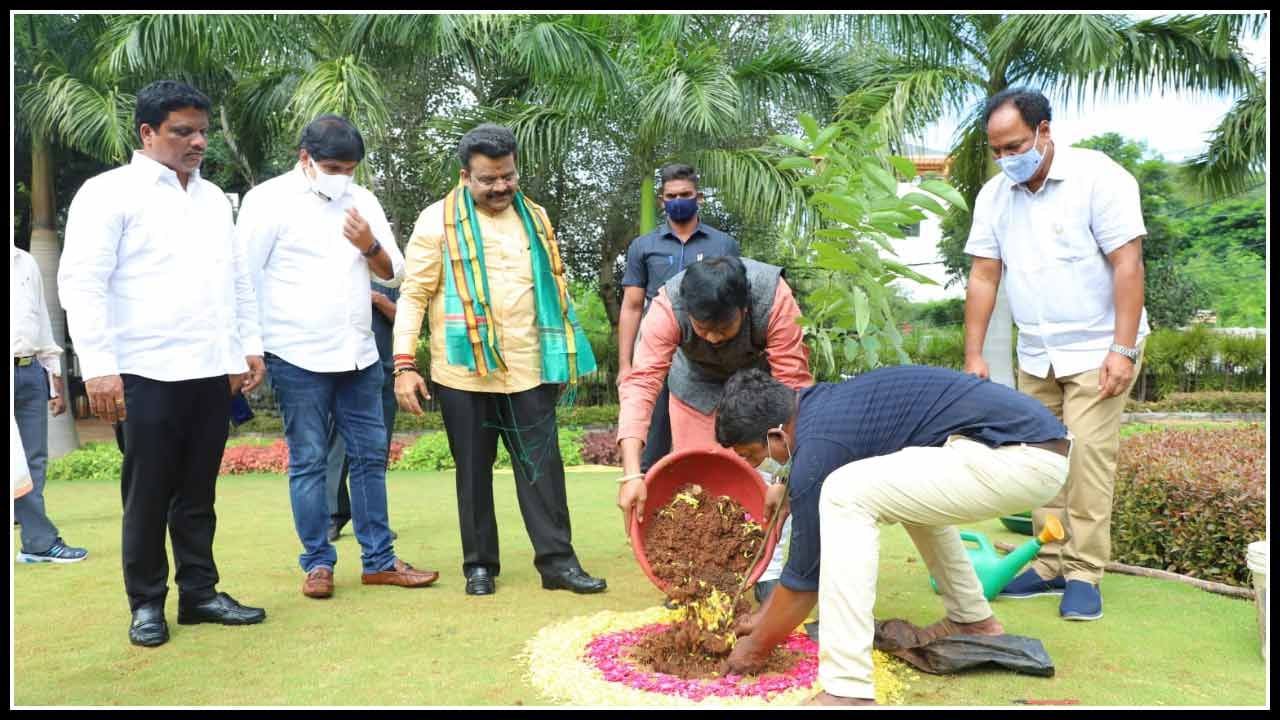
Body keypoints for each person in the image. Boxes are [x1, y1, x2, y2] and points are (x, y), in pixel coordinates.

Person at [715, 367, 1073, 705]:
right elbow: (818, 456)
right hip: (1029, 447)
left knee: (844, 492)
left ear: (776, 435)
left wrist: (757, 645)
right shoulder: (815, 408)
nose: (754, 467)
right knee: (904, 492)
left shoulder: (818, 446)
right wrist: (761, 618)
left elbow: (803, 584)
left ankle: (848, 687)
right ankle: (973, 621)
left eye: (752, 456)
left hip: (1018, 458)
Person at [60, 80, 266, 647]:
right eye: (183, 131)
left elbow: (237, 281)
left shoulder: (213, 198)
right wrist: (98, 368)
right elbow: (82, 283)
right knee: (147, 494)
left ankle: (200, 595)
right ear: (148, 133)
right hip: (143, 371)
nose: (198, 141)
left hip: (209, 371)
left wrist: (247, 346)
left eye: (201, 130)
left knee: (198, 493)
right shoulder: (108, 193)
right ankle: (146, 604)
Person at [392, 123, 605, 597]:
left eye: (507, 176)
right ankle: (480, 565)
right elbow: (415, 294)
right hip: (463, 373)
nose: (501, 187)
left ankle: (558, 564)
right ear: (465, 175)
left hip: (529, 369)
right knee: (472, 472)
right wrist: (404, 363)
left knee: (542, 469)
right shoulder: (436, 221)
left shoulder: (535, 217)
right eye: (489, 179)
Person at [963, 87, 1148, 621]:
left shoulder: (1100, 177)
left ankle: (1085, 573)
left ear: (1045, 131)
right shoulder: (995, 197)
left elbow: (1127, 265)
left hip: (1098, 347)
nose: (1005, 159)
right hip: (1036, 352)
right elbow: (983, 274)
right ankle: (1049, 563)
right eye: (995, 151)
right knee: (1041, 463)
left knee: (1086, 457)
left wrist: (1122, 347)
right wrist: (975, 354)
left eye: (1014, 146)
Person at [237, 114, 438, 600]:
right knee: (307, 461)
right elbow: (243, 276)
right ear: (304, 158)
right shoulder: (268, 200)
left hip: (358, 353)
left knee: (370, 459)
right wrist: (247, 345)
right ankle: (317, 564)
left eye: (349, 168)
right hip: (294, 353)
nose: (340, 176)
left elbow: (394, 274)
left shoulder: (361, 200)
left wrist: (367, 245)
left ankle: (379, 560)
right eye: (331, 166)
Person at [614, 255, 812, 530]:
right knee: (697, 485)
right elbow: (641, 384)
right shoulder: (667, 307)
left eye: (723, 328)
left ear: (744, 310)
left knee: (763, 486)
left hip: (758, 393)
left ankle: (762, 563)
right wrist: (632, 475)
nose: (714, 339)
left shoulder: (775, 298)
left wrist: (782, 478)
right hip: (695, 390)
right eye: (703, 329)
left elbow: (792, 388)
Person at [618, 164, 741, 476]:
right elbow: (632, 306)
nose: (678, 200)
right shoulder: (643, 246)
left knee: (717, 442)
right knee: (654, 446)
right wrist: (625, 365)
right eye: (671, 196)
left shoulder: (723, 245)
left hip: (710, 358)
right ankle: (647, 510)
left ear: (698, 197)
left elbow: (736, 300)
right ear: (662, 200)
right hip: (659, 356)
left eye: (685, 195)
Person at [12, 241, 88, 564]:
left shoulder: (25, 262)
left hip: (30, 371)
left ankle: (36, 542)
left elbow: (41, 321)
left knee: (32, 461)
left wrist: (54, 377)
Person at [326, 282, 401, 543]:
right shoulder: (336, 271)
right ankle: (334, 515)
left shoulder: (391, 278)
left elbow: (406, 321)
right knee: (338, 450)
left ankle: (373, 522)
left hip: (384, 373)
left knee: (376, 451)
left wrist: (379, 300)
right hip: (345, 373)